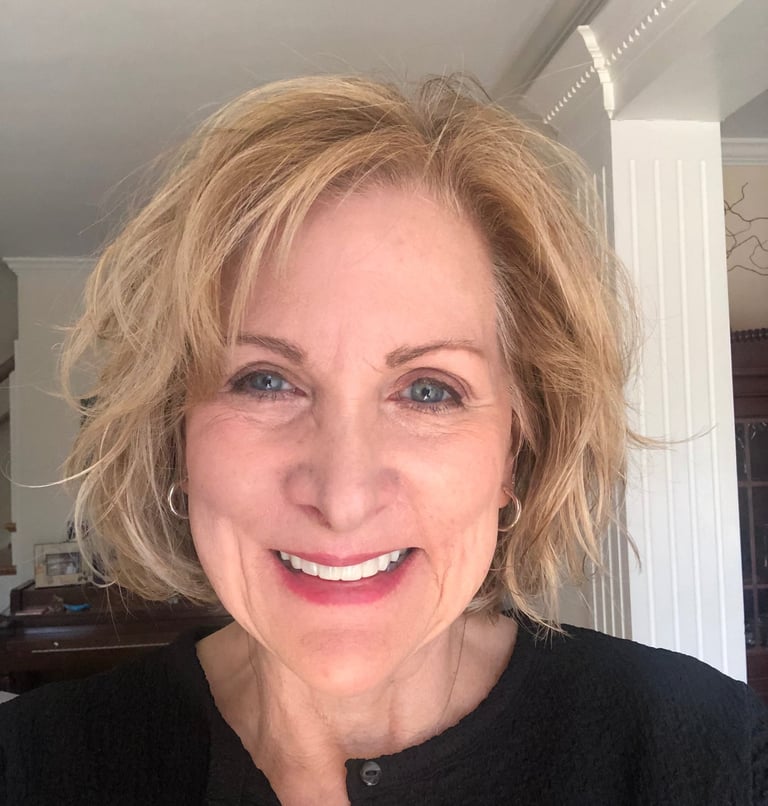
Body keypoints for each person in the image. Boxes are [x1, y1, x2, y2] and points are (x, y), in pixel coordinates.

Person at [0, 75, 765, 805]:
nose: (344, 496)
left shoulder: (708, 756)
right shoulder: (33, 768)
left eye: (429, 390)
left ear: (516, 449)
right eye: (265, 381)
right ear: (177, 436)